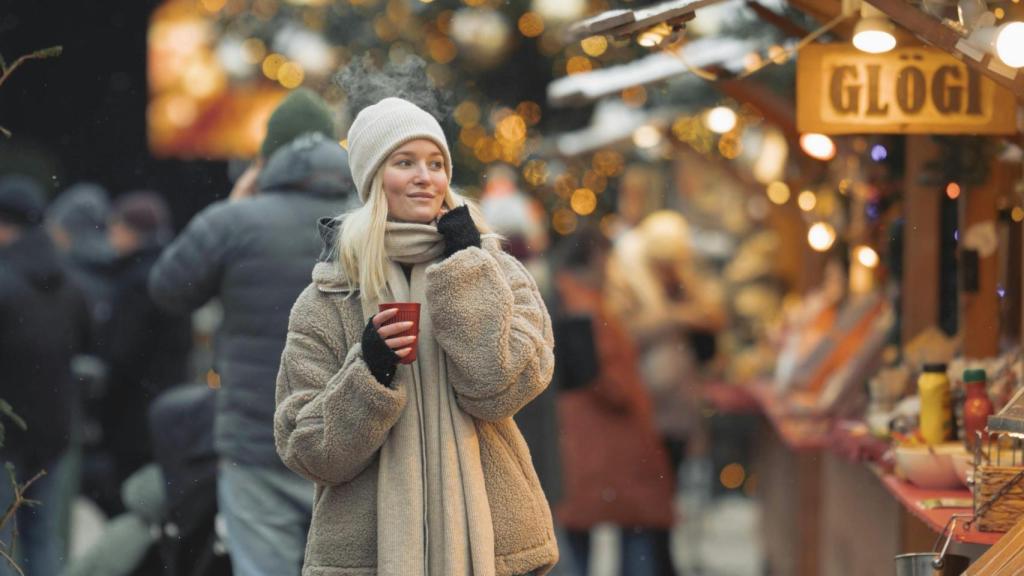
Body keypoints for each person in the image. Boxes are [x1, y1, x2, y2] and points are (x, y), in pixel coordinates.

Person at [274, 97, 558, 576]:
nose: (425, 177)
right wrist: (368, 372)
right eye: (404, 163)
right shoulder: (329, 296)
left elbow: (502, 390)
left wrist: (467, 270)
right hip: (366, 557)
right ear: (373, 178)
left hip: (495, 550)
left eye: (436, 164)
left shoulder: (496, 270)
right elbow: (308, 450)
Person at [149, 88, 357, 576]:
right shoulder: (368, 221)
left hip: (255, 441)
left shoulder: (235, 222)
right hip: (350, 440)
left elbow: (166, 289)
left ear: (266, 160)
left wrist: (236, 201)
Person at [606, 210, 726, 575]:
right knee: (646, 506)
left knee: (663, 503)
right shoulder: (628, 279)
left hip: (676, 410)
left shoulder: (682, 280)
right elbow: (622, 332)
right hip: (643, 410)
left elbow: (713, 317)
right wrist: (676, 318)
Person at [551, 226, 676, 576]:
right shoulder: (586, 308)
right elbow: (606, 379)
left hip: (585, 441)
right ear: (595, 259)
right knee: (630, 530)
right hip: (606, 443)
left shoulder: (567, 298)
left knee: (580, 534)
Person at [0, 175, 91, 576]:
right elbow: (87, 344)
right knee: (44, 540)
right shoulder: (71, 283)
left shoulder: (3, 280)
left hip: (5, 432)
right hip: (55, 431)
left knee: (4, 540)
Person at [102, 191, 193, 493]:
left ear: (130, 230)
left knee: (132, 493)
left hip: (134, 410)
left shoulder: (134, 279)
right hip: (168, 400)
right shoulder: (173, 271)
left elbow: (123, 352)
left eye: (114, 226)